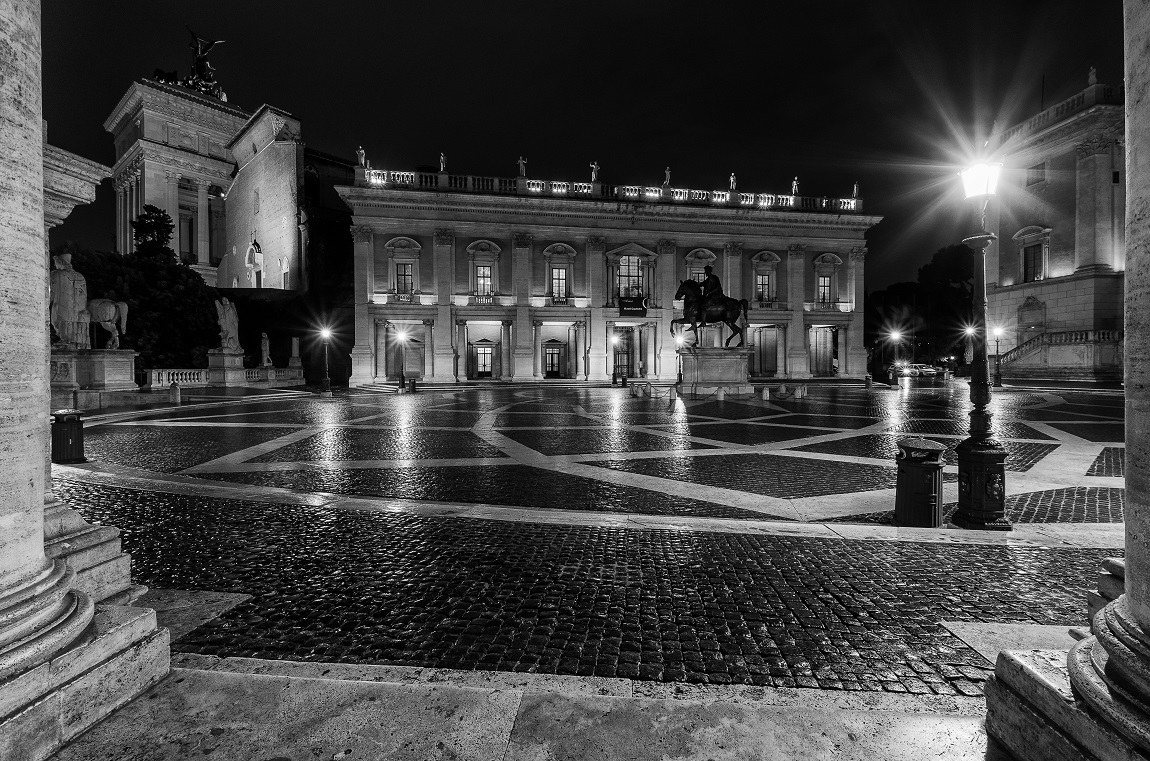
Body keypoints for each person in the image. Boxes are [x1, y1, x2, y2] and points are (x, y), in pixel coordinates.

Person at [50, 252, 90, 349]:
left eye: (56, 262)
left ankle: (65, 340)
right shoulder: (80, 276)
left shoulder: (56, 274)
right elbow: (83, 294)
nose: (55, 265)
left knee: (57, 321)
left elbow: (51, 291)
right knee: (69, 322)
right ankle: (73, 341)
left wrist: (47, 302)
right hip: (78, 308)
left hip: (61, 304)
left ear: (61, 262)